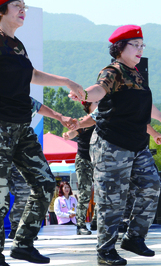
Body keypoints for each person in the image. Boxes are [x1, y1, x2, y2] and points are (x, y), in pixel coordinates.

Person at [0, 0, 82, 266]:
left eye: (24, 6)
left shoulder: (16, 44)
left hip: (21, 127)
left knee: (45, 184)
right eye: (18, 6)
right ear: (1, 11)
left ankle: (23, 244)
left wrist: (65, 81)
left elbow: (32, 74)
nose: (23, 10)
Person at [71, 25, 161, 266]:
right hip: (111, 144)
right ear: (120, 47)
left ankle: (134, 238)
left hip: (137, 144)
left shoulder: (136, 74)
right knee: (111, 199)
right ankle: (105, 251)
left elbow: (146, 105)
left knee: (152, 184)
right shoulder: (112, 72)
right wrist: (84, 94)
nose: (140, 49)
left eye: (142, 45)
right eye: (135, 45)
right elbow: (98, 90)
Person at [0, 90, 66, 237]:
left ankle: (17, 228)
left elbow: (38, 106)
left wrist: (59, 116)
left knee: (25, 191)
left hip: (15, 156)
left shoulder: (16, 93)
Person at [62, 101, 97, 235]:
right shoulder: (83, 122)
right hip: (84, 160)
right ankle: (81, 225)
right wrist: (68, 135)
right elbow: (73, 133)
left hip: (99, 161)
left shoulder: (104, 122)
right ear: (88, 107)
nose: (98, 104)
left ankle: (96, 220)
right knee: (85, 193)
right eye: (95, 103)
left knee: (102, 192)